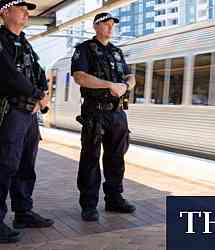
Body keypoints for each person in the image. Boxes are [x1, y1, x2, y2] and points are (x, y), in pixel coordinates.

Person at [0, 0, 54, 243]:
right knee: (3, 165)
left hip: (29, 114)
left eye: (27, 9)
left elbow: (39, 74)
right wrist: (38, 96)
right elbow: (10, 76)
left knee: (25, 165)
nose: (26, 13)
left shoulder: (25, 44)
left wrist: (41, 95)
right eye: (21, 8)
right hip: (11, 112)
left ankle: (23, 212)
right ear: (5, 12)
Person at [71, 12, 136, 221]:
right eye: (106, 24)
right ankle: (89, 205)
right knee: (90, 157)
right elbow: (79, 77)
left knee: (116, 157)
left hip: (117, 112)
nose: (110, 28)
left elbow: (130, 76)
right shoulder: (84, 50)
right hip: (95, 112)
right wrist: (109, 85)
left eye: (112, 25)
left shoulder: (117, 52)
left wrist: (125, 86)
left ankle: (114, 198)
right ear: (95, 26)